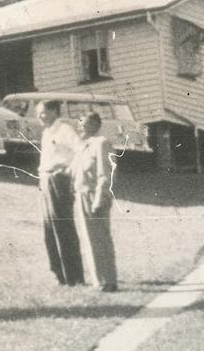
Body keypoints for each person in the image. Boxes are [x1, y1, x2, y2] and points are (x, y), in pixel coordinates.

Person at [38, 101, 85, 286]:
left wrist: (66, 170)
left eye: (43, 112)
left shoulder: (64, 129)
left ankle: (73, 276)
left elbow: (81, 150)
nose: (40, 116)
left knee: (63, 228)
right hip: (45, 180)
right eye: (39, 113)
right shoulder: (46, 132)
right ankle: (59, 276)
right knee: (49, 229)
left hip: (59, 181)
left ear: (54, 112)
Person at [71, 111, 119, 292]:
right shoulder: (83, 146)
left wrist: (100, 199)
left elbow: (105, 175)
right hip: (82, 195)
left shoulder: (102, 144)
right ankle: (99, 280)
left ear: (94, 126)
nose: (79, 127)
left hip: (94, 197)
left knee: (99, 239)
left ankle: (108, 281)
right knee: (90, 240)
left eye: (83, 124)